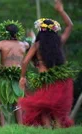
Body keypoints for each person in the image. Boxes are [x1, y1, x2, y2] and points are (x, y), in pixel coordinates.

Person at [19, 0, 73, 128]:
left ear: (40, 31)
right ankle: (59, 128)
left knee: (42, 107)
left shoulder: (37, 45)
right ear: (54, 31)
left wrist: (22, 77)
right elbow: (70, 26)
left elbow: (25, 61)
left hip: (45, 80)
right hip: (59, 80)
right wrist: (61, 11)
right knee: (56, 109)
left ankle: (48, 128)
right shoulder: (58, 42)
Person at [0, 20, 32, 126]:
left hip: (5, 75)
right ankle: (20, 124)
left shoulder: (0, 44)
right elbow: (32, 41)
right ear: (17, 33)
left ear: (5, 33)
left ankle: (3, 125)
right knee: (17, 102)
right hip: (18, 75)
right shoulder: (24, 45)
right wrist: (31, 36)